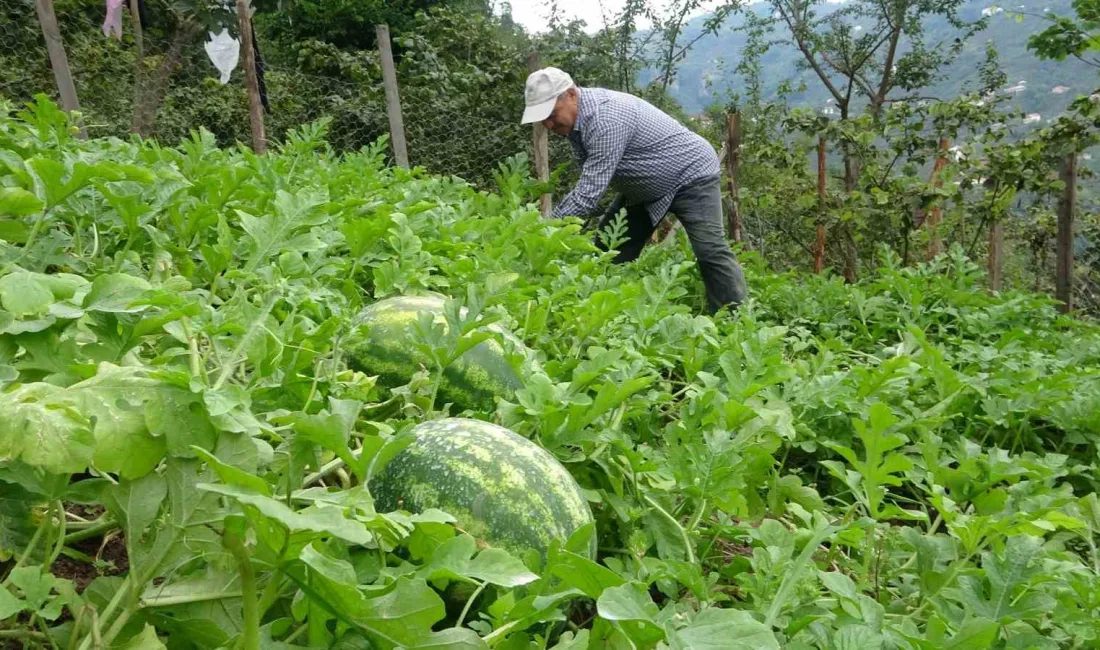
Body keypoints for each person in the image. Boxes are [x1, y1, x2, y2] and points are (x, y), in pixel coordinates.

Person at [520, 67, 748, 314]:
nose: (548, 124)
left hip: (691, 174)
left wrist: (544, 232)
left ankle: (734, 320)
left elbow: (588, 193)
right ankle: (607, 312)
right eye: (542, 118)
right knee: (610, 245)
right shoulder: (577, 123)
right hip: (646, 190)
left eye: (552, 114)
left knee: (710, 250)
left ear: (572, 95)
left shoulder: (605, 117)